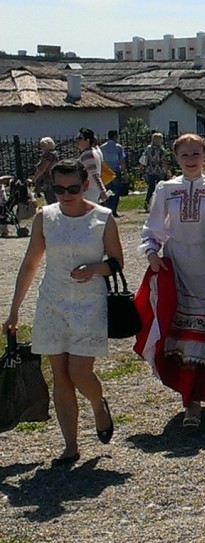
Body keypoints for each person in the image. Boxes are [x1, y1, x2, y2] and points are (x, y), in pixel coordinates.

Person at [2, 159, 123, 466]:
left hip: (89, 302)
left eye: (72, 188)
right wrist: (14, 310)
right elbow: (30, 263)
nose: (65, 194)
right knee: (60, 376)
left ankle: (98, 403)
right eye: (57, 188)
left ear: (85, 186)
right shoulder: (46, 217)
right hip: (52, 302)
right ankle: (70, 445)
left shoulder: (103, 218)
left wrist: (95, 268)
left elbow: (117, 262)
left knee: (79, 372)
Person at [138, 133, 205, 426]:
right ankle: (189, 401)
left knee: (201, 336)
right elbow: (153, 227)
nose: (191, 160)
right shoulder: (166, 189)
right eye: (185, 155)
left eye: (196, 154)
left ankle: (199, 395)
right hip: (178, 266)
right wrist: (152, 253)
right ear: (176, 158)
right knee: (179, 337)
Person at [76, 128, 109, 204]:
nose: (77, 141)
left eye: (80, 138)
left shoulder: (88, 155)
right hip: (91, 192)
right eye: (77, 138)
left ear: (87, 140)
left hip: (88, 193)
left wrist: (102, 191)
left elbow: (95, 175)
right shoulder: (93, 151)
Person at [100, 130, 127, 218]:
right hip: (115, 171)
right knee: (116, 191)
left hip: (106, 172)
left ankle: (107, 209)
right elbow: (122, 160)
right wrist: (124, 171)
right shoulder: (118, 147)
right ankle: (113, 210)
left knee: (107, 191)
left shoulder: (102, 147)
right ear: (115, 136)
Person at [141, 133, 167, 213]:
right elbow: (163, 161)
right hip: (158, 170)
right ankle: (160, 204)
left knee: (151, 188)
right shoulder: (161, 150)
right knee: (160, 188)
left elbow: (144, 158)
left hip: (150, 169)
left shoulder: (148, 148)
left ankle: (147, 202)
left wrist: (142, 167)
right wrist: (165, 170)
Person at [32, 137, 59, 205]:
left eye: (43, 145)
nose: (41, 147)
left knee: (51, 200)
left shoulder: (48, 156)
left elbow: (42, 168)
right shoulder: (54, 154)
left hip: (48, 181)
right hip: (53, 179)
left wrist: (34, 179)